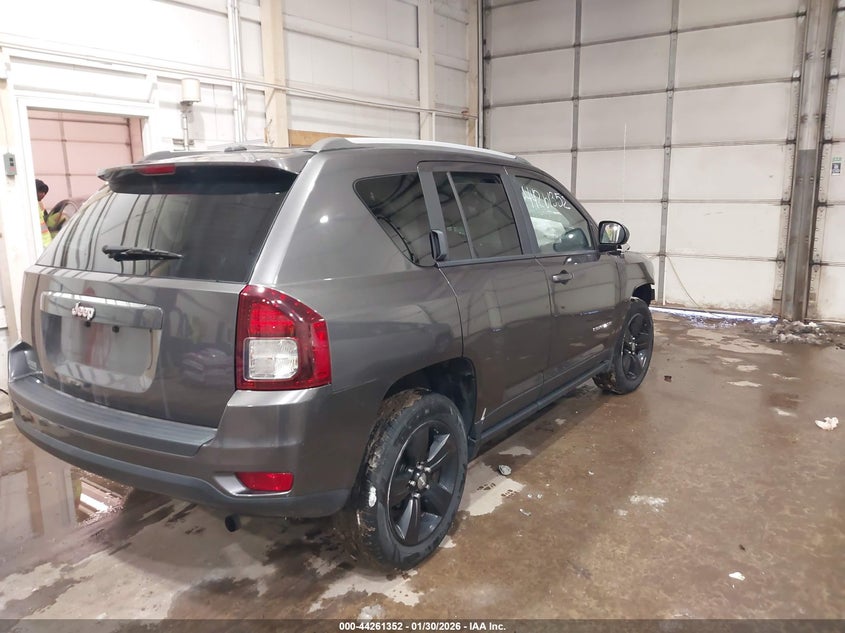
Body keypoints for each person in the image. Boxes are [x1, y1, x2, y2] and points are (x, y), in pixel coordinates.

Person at [35, 179, 51, 247]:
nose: (43, 194)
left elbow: (47, 219)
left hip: (47, 243)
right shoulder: (31, 206)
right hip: (40, 245)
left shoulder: (40, 204)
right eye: (41, 192)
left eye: (44, 192)